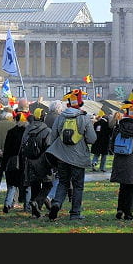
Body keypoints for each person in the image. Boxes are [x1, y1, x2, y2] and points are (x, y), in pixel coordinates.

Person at [45, 93, 97, 221]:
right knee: (78, 185)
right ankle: (75, 213)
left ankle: (56, 203)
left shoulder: (60, 117)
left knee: (63, 182)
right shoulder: (84, 118)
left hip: (62, 156)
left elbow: (53, 136)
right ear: (80, 104)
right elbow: (92, 139)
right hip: (78, 158)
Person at [108, 101, 133, 220]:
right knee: (131, 188)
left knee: (122, 186)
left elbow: (111, 146)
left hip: (119, 159)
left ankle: (120, 209)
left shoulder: (118, 128)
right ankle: (128, 213)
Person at [19, 107, 52, 218]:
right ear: (43, 117)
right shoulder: (47, 130)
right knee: (48, 184)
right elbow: (48, 147)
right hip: (42, 162)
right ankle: (37, 203)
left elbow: (23, 145)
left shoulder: (27, 129)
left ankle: (35, 213)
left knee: (35, 186)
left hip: (29, 161)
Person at [2, 105, 31, 213]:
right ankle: (27, 206)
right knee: (27, 186)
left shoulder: (11, 132)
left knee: (12, 185)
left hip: (12, 162)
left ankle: (7, 203)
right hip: (24, 162)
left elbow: (6, 149)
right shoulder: (27, 133)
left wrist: (4, 164)